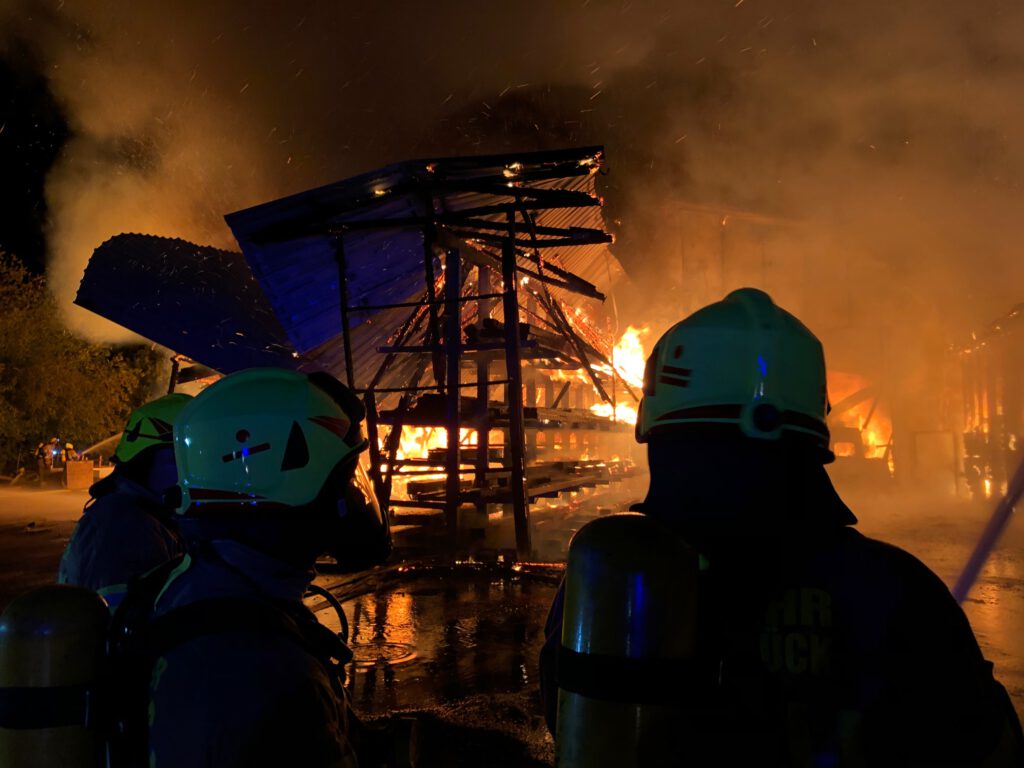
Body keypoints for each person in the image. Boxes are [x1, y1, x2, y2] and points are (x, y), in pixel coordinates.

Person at [540, 288, 1024, 766]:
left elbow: (566, 718)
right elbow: (989, 746)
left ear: (657, 430)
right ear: (815, 436)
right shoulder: (900, 589)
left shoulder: (608, 581)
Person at [130, 368, 391, 768]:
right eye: (343, 481)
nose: (352, 499)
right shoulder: (273, 673)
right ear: (288, 480)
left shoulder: (190, 584)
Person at [57, 394, 191, 598]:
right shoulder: (126, 528)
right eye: (176, 461)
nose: (189, 473)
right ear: (141, 463)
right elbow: (120, 619)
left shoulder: (142, 513)